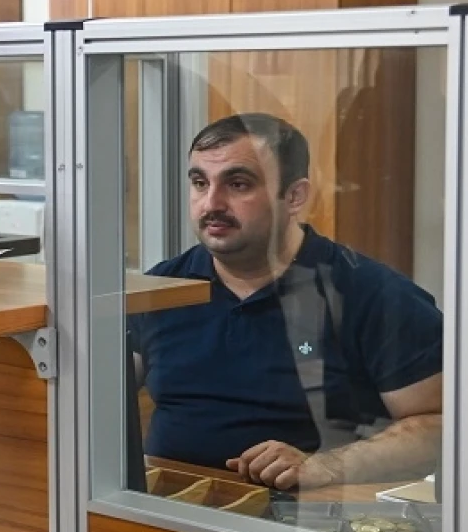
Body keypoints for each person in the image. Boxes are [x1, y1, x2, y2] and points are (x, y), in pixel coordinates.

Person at [128, 113, 442, 491]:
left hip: (309, 524)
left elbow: (442, 426)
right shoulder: (162, 286)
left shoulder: (374, 294)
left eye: (238, 184)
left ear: (294, 196)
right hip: (166, 513)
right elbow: (94, 393)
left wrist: (324, 466)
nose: (211, 203)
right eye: (199, 182)